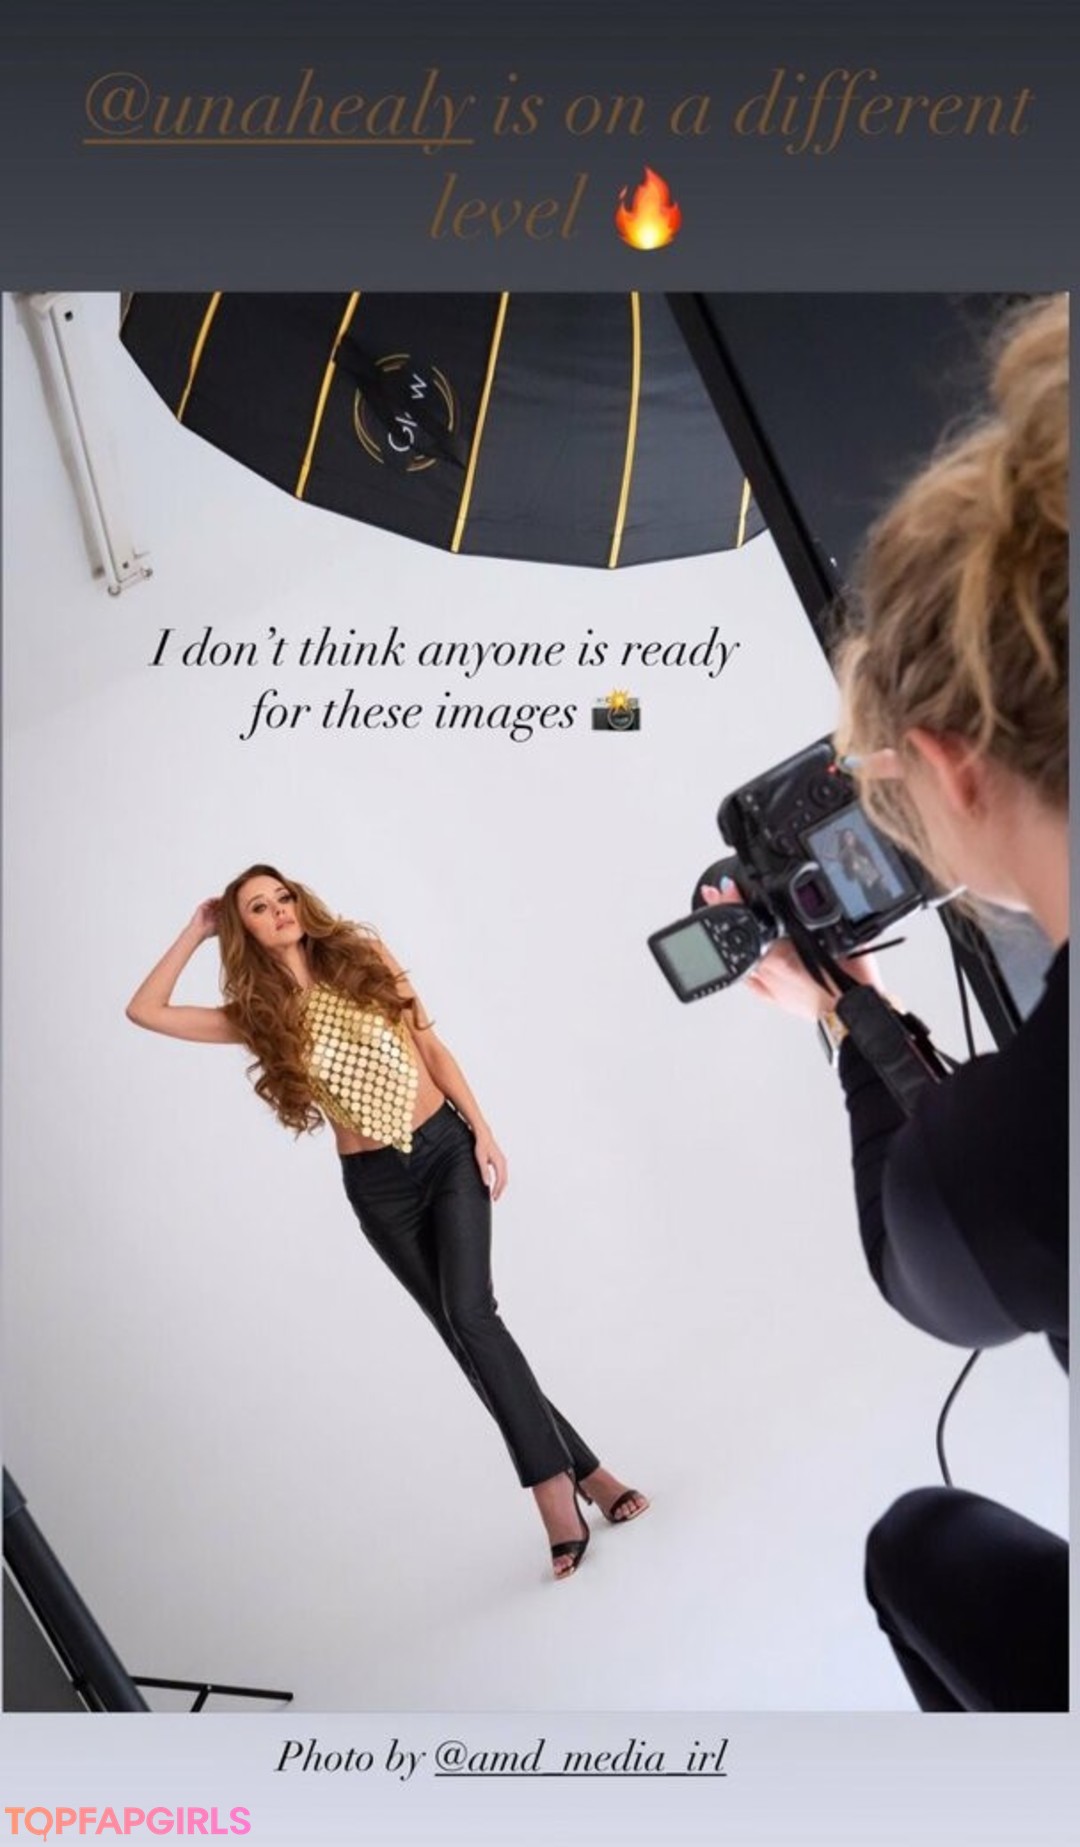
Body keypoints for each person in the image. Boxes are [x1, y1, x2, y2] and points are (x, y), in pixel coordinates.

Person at [705, 292, 1068, 1709]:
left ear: (953, 764)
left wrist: (842, 1020)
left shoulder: (1014, 1161)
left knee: (917, 1546)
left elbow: (926, 1236)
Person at [127, 867, 648, 1581]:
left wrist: (483, 1131)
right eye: (258, 908)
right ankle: (593, 1474)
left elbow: (431, 1047)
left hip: (445, 1150)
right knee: (464, 1335)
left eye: (283, 897)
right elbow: (145, 1010)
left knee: (473, 1315)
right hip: (377, 1189)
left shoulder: (362, 957)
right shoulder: (258, 1013)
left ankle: (553, 1497)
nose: (279, 912)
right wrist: (196, 929)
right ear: (241, 928)